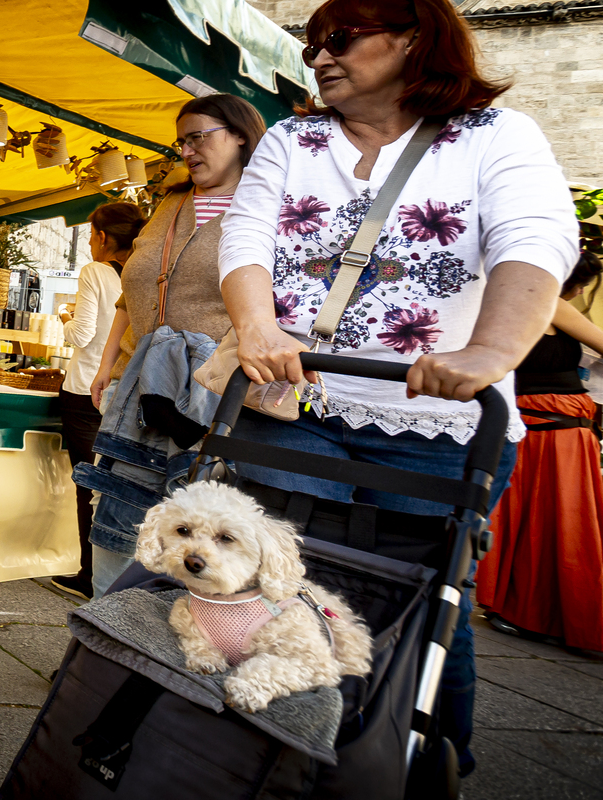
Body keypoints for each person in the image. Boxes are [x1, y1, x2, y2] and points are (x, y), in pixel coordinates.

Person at [217, 0, 578, 776]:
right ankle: (261, 745)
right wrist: (256, 327)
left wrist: (491, 351)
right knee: (274, 576)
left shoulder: (495, 135)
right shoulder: (294, 138)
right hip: (296, 402)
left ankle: (417, 763)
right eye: (312, 45)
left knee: (424, 595)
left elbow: (535, 235)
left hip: (439, 421)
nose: (318, 58)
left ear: (413, 38)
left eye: (339, 40)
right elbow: (246, 235)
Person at [83, 94, 266, 599]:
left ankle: (171, 655)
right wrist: (106, 366)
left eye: (199, 137)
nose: (186, 150)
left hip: (208, 399)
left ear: (240, 137)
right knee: (119, 517)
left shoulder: (265, 206)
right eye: (181, 140)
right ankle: (103, 644)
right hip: (137, 387)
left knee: (195, 534)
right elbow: (131, 293)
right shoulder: (168, 204)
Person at [478, 252, 603, 654]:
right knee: (563, 519)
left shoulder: (502, 300)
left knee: (531, 520)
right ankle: (554, 613)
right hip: (553, 424)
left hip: (537, 420)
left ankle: (523, 608)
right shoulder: (551, 303)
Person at [50, 202, 147, 600]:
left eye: (91, 234)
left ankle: (90, 575)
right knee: (118, 484)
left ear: (104, 238)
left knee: (87, 484)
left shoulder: (95, 271)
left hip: (85, 387)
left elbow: (82, 335)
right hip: (125, 391)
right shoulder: (145, 274)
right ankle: (118, 576)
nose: (91, 242)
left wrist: (64, 317)